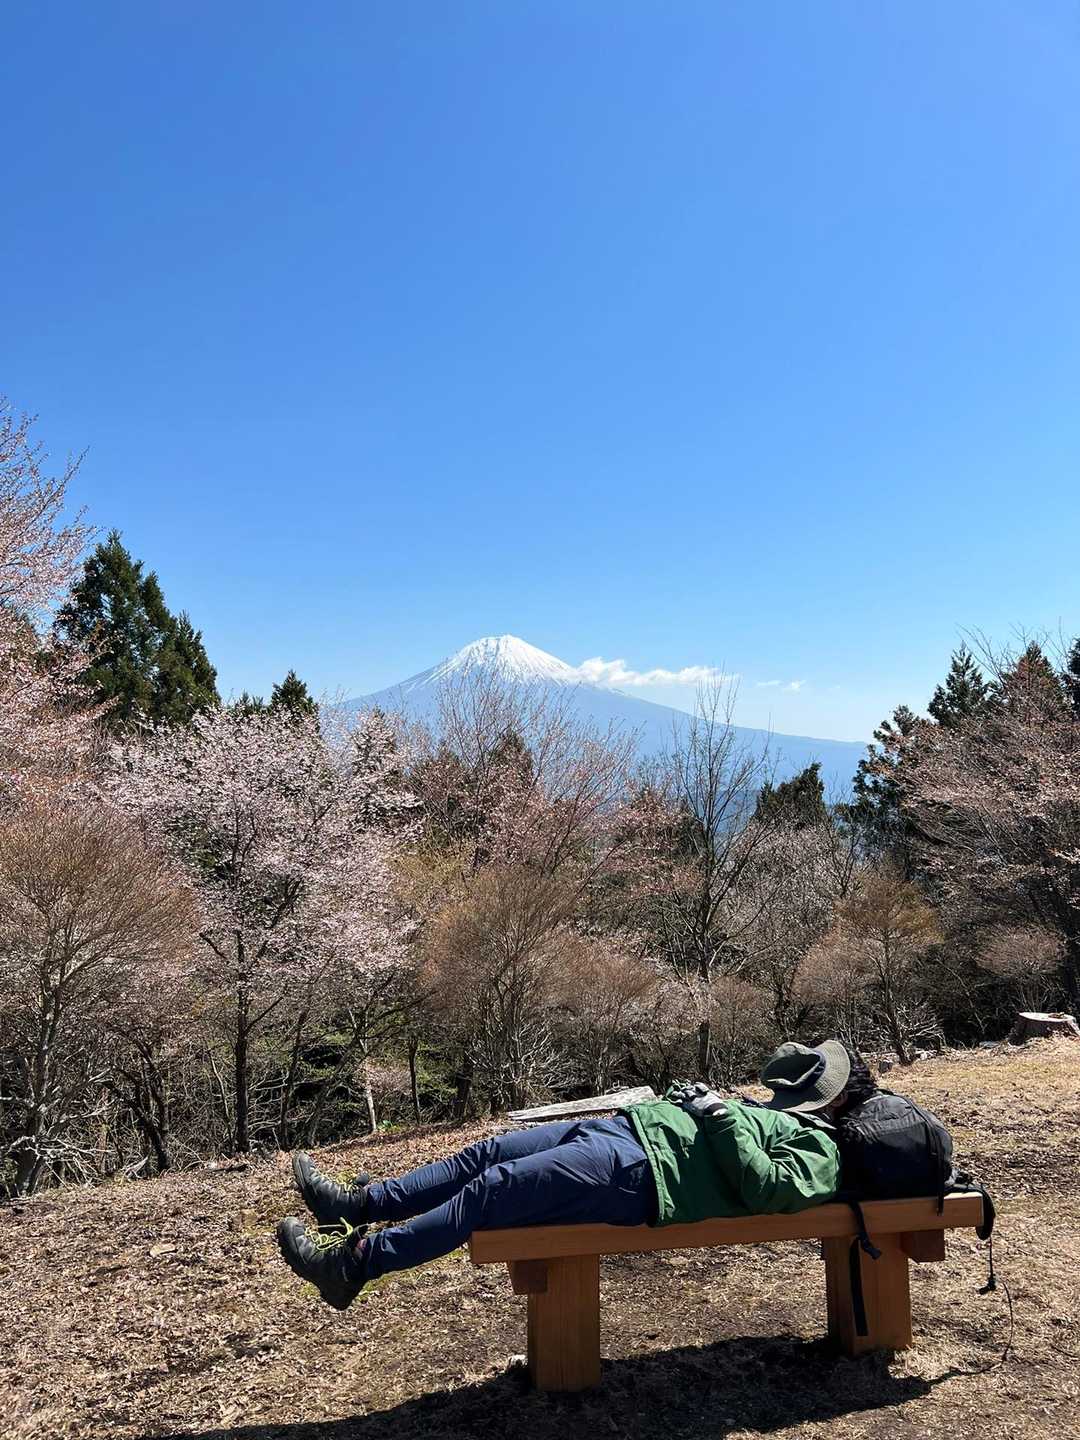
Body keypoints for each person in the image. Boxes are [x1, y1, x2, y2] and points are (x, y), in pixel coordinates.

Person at [276, 1079, 841, 1311]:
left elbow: (766, 1186)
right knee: (487, 1154)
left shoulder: (825, 1150)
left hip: (643, 1174)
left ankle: (352, 1266)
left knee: (492, 1191)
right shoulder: (784, 1117)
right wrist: (692, 1102)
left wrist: (718, 1114)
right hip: (626, 1131)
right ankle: (359, 1206)